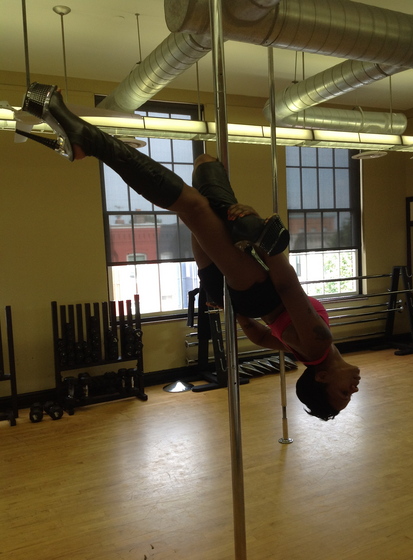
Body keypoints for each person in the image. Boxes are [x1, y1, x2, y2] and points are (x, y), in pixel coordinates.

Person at [18, 82, 361, 421]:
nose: (354, 389)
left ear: (323, 378)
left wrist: (266, 243)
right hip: (239, 293)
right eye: (349, 395)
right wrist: (235, 308)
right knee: (205, 164)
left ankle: (88, 141)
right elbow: (259, 336)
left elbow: (287, 287)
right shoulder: (309, 355)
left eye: (343, 393)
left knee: (194, 207)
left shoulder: (318, 345)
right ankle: (84, 143)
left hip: (255, 289)